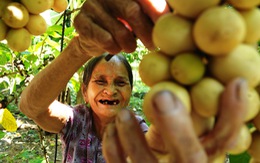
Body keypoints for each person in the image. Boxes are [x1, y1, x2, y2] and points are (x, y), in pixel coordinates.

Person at [19, 0, 247, 162]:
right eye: (101, 81)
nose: (110, 90)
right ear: (85, 89)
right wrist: (79, 49)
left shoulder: (138, 130)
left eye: (120, 82)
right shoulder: (75, 120)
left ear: (130, 90)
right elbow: (32, 107)